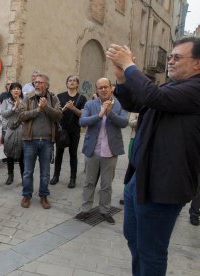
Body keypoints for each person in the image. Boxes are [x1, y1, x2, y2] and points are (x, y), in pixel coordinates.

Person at [106, 36, 200, 275]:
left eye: (177, 57)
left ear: (198, 64)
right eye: (170, 56)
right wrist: (121, 76)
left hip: (164, 186)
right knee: (134, 240)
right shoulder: (172, 86)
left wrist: (130, 65)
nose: (170, 61)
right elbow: (139, 102)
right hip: (140, 178)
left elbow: (153, 97)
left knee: (152, 251)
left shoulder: (196, 89)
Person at [75, 78, 128, 225]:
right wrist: (98, 116)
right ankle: (85, 209)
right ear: (97, 90)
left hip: (110, 151)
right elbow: (82, 121)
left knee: (106, 185)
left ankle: (105, 211)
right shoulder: (90, 104)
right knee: (89, 182)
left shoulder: (119, 104)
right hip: (93, 150)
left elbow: (124, 123)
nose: (103, 90)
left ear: (112, 88)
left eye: (106, 87)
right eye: (100, 88)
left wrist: (110, 113)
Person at [16, 73, 62, 209]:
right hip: (30, 141)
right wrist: (38, 110)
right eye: (35, 82)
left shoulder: (53, 98)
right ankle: (26, 195)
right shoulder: (28, 97)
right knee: (28, 171)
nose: (37, 84)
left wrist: (46, 107)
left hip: (47, 141)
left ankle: (43, 196)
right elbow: (21, 116)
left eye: (40, 82)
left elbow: (59, 115)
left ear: (47, 85)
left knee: (45, 172)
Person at [50, 75, 87, 188]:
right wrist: (65, 108)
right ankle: (56, 176)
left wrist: (73, 108)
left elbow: (83, 114)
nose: (71, 82)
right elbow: (55, 113)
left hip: (75, 130)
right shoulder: (60, 96)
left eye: (74, 81)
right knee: (59, 154)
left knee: (73, 154)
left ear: (77, 84)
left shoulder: (82, 98)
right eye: (69, 80)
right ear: (66, 83)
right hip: (61, 129)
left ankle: (72, 179)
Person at [1, 82, 24, 185]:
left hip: (22, 131)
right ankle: (10, 175)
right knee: (9, 154)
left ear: (20, 91)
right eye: (14, 89)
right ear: (10, 91)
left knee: (22, 155)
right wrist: (13, 108)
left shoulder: (25, 101)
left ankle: (24, 177)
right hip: (9, 130)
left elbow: (27, 115)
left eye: (18, 88)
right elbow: (4, 114)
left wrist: (19, 106)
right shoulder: (6, 101)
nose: (16, 90)